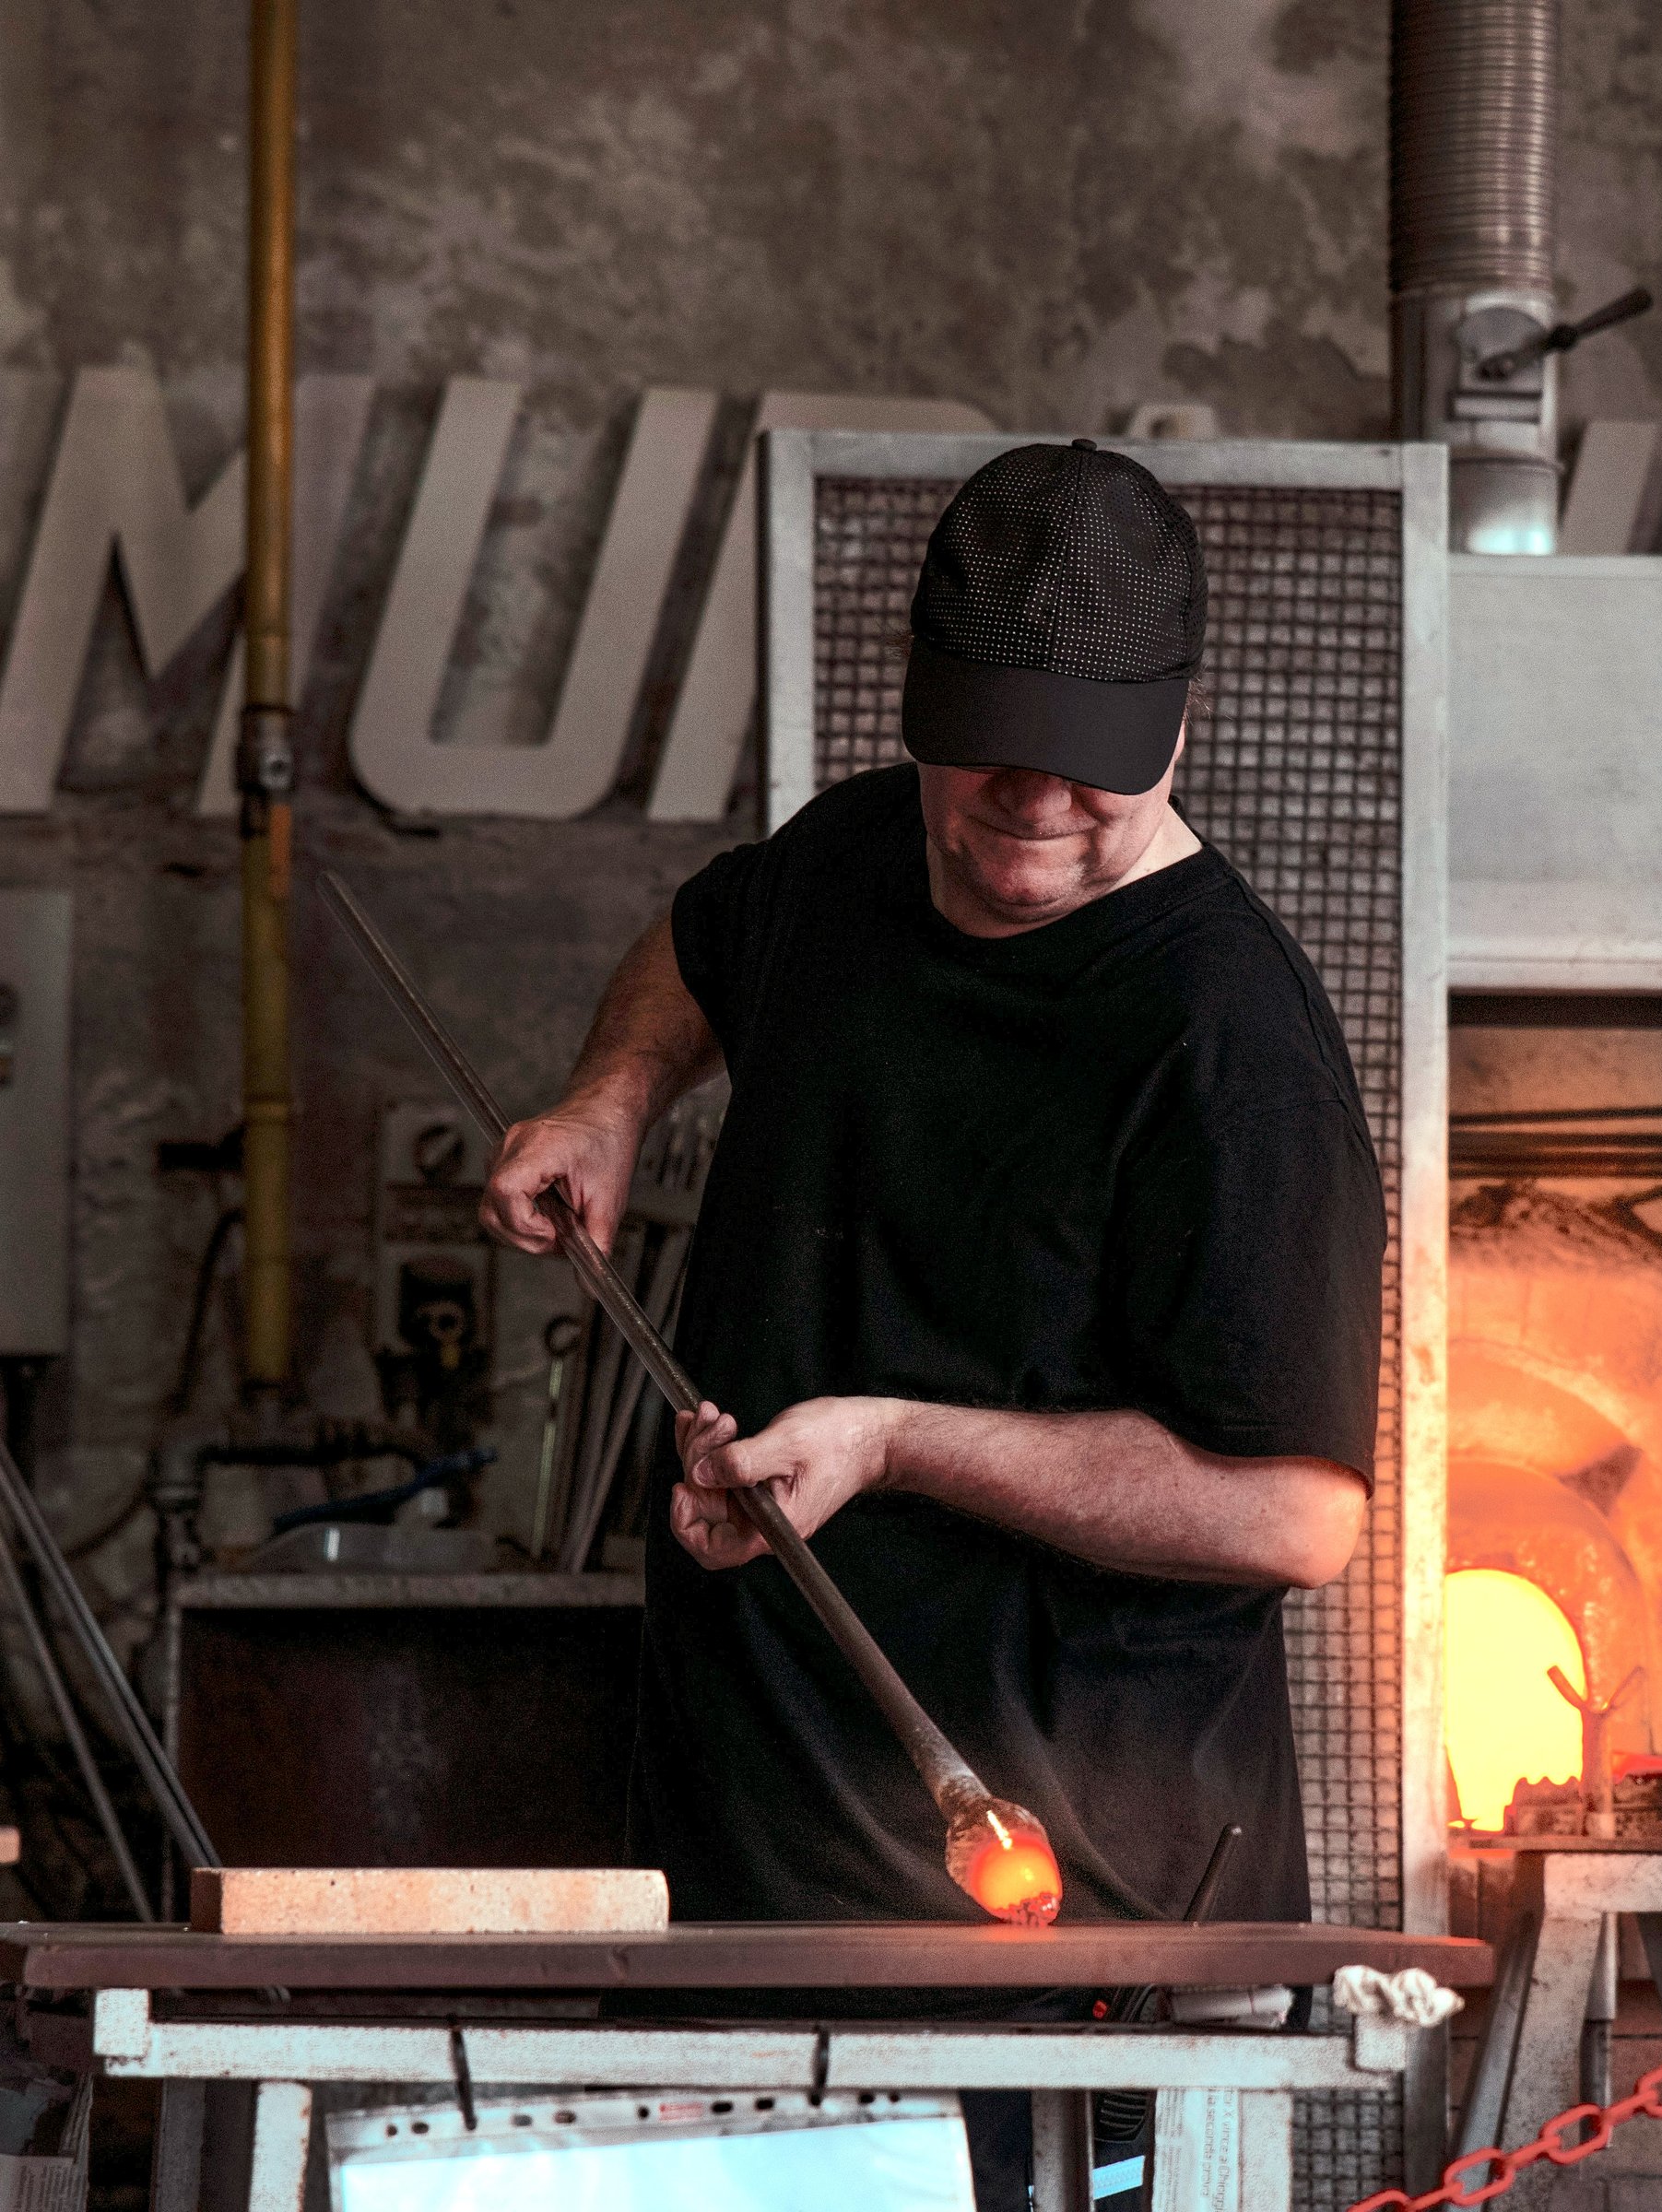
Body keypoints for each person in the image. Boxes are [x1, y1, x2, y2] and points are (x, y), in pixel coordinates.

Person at [481, 438, 1385, 2209]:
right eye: (993, 760)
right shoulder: (845, 864)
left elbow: (1297, 1515)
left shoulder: (1232, 1047)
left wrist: (893, 1442)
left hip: (1061, 1955)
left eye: (1087, 770)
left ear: (1173, 733)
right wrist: (610, 1099)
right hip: (739, 1895)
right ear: (921, 714)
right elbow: (702, 940)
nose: (1033, 805)